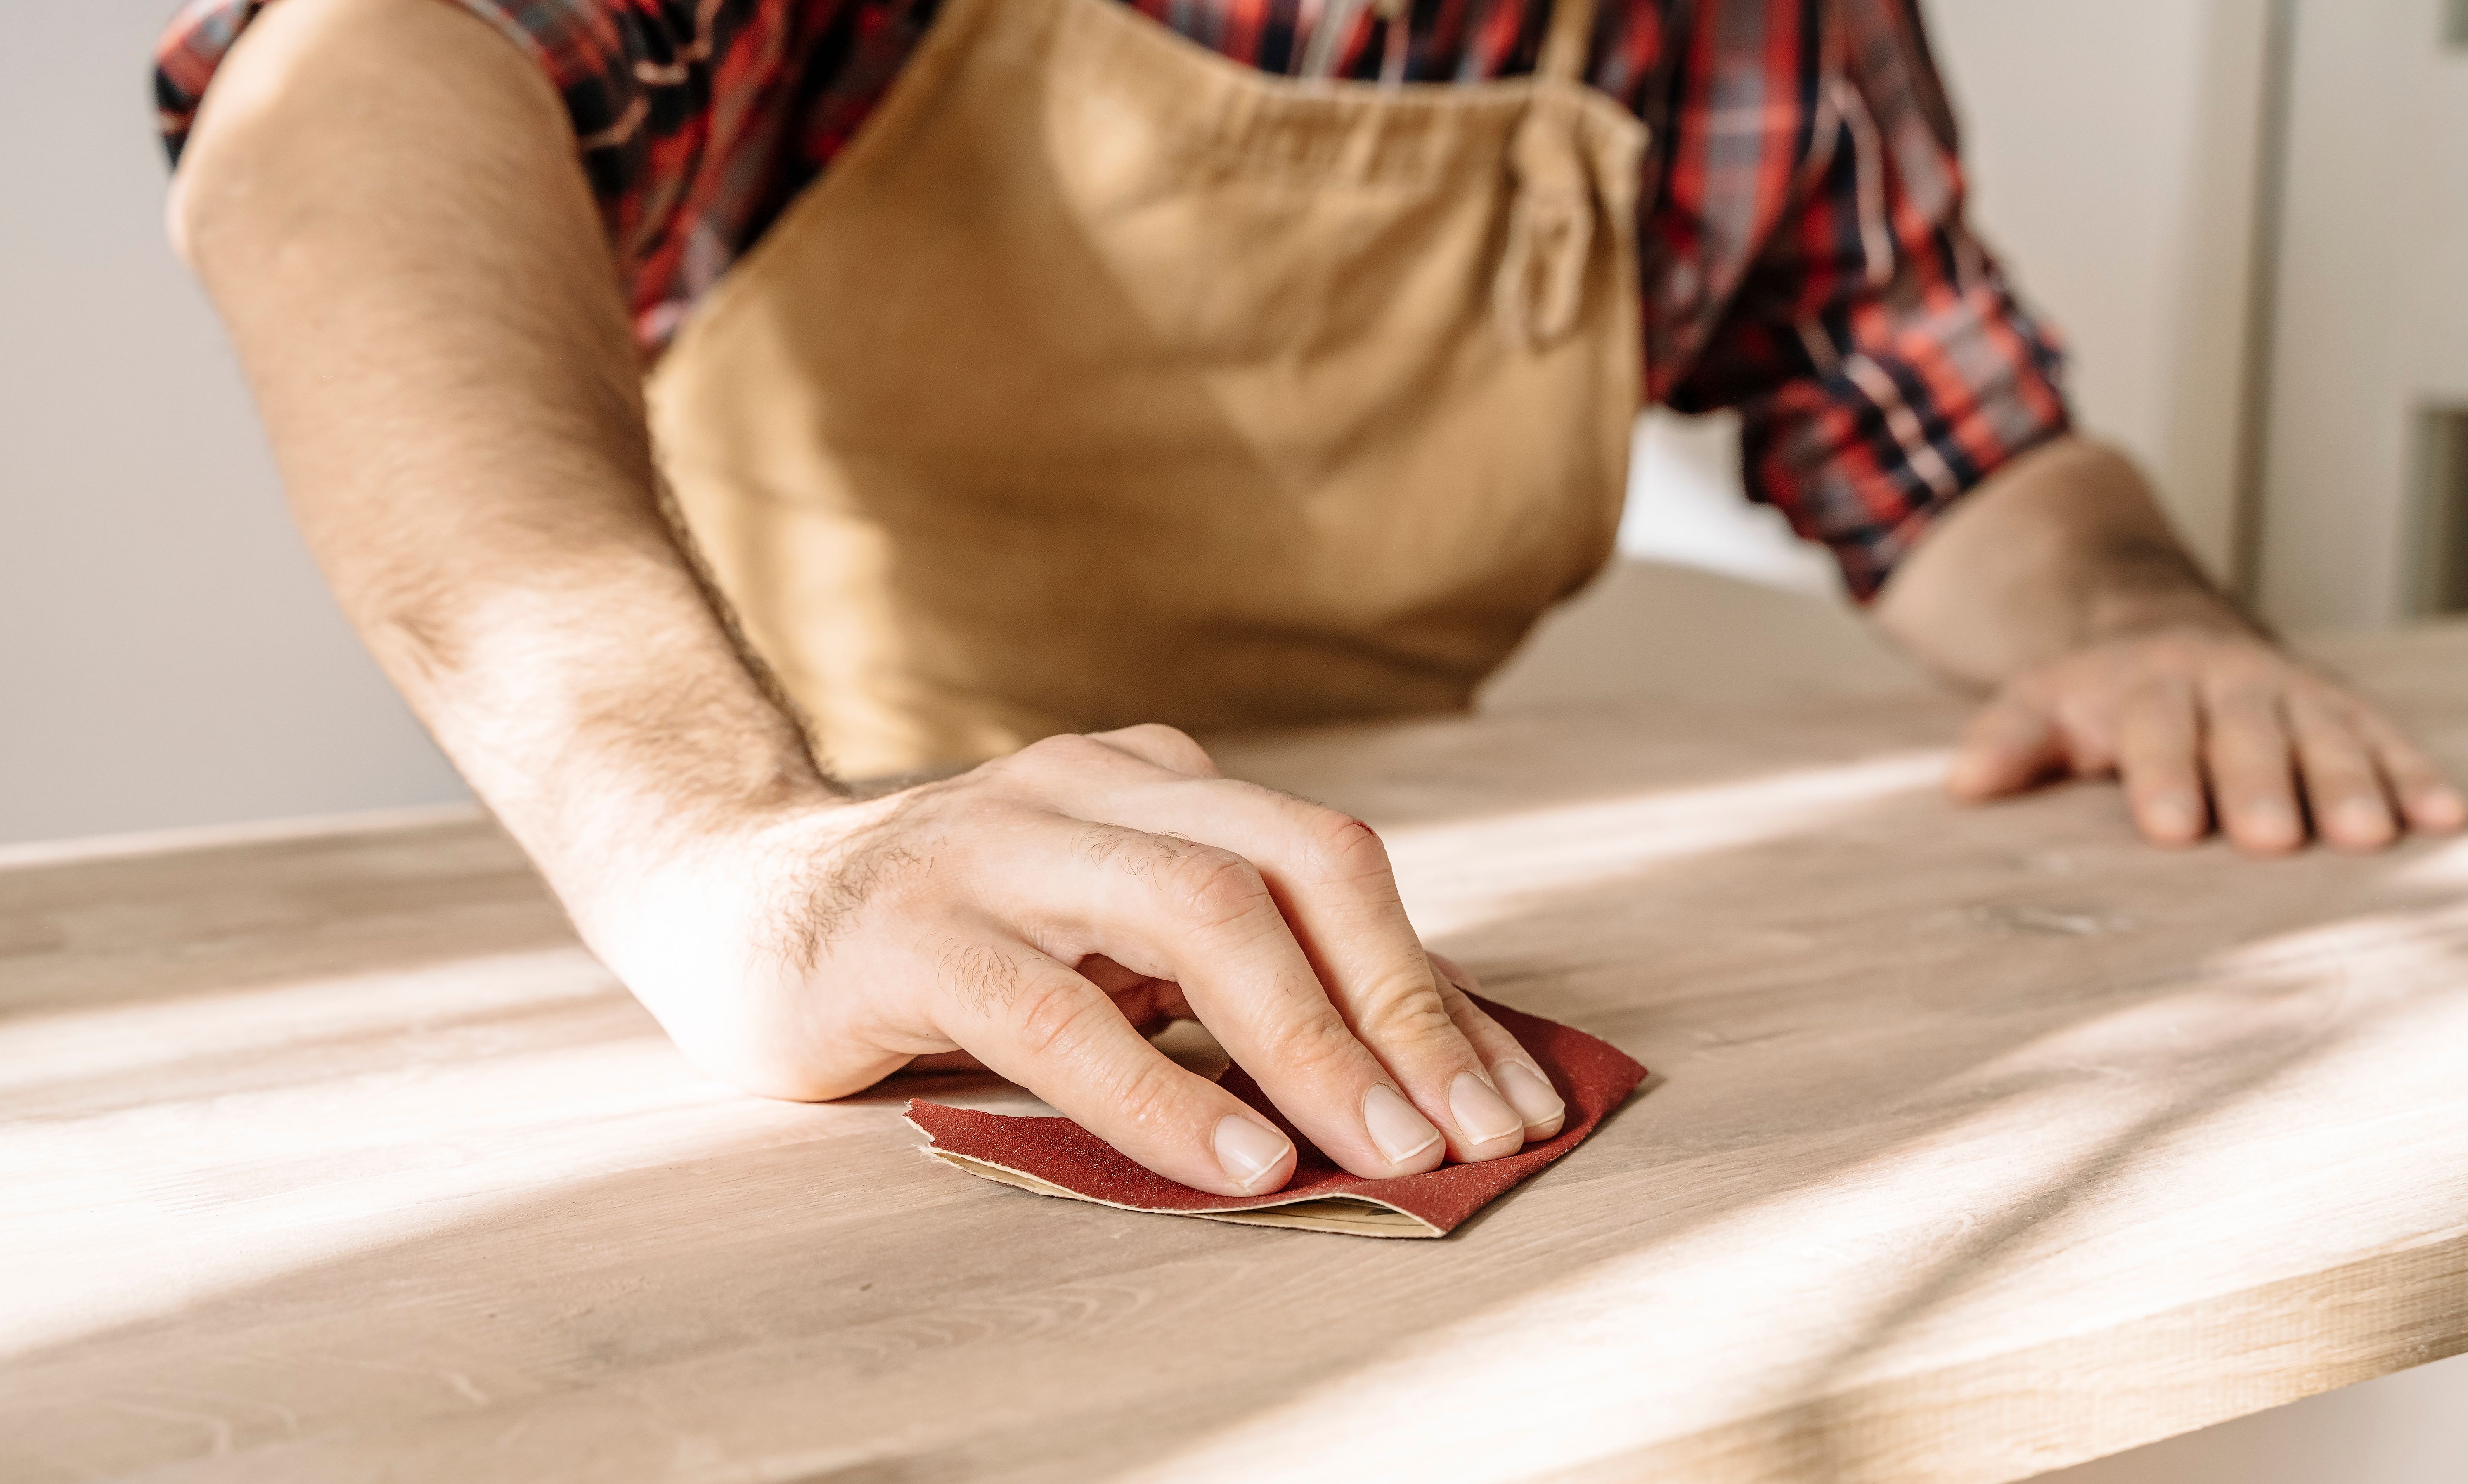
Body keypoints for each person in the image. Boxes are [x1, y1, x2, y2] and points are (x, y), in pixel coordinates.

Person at [156, 0, 2461, 1199]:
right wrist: (720, 844)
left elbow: (1929, 411)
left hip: (1407, 905)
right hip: (780, 880)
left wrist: (2139, 607)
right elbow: (346, 94)